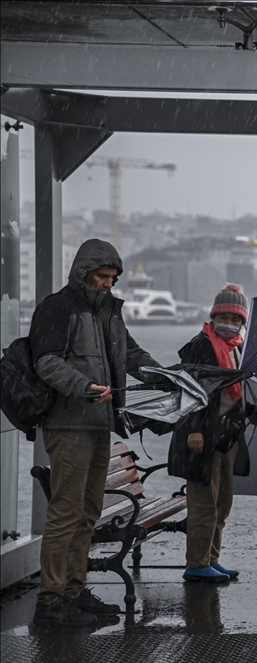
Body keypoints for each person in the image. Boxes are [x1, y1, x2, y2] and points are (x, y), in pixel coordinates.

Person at [29, 239, 161, 626]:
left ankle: (73, 590)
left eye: (112, 279)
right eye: (102, 276)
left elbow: (131, 355)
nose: (107, 284)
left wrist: (163, 376)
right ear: (83, 272)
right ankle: (51, 603)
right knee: (66, 513)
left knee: (88, 513)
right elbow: (45, 362)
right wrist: (84, 387)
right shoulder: (58, 307)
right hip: (68, 425)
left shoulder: (110, 313)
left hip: (99, 426)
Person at [168, 284, 257, 583]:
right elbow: (190, 391)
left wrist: (250, 411)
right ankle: (196, 563)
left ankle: (211, 558)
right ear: (214, 315)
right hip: (202, 438)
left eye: (236, 320)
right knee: (204, 502)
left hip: (226, 437)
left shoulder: (238, 350)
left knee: (222, 502)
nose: (230, 324)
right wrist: (195, 429)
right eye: (226, 317)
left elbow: (237, 393)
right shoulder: (201, 345)